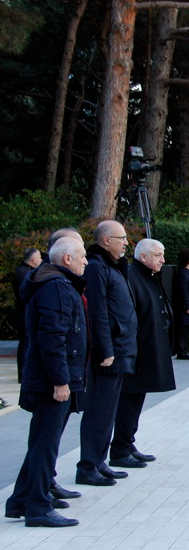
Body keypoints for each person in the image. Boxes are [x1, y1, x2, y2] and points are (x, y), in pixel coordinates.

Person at [5, 237, 87, 527]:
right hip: (50, 381)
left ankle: (20, 500)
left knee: (41, 442)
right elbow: (53, 337)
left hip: (46, 378)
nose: (85, 262)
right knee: (45, 445)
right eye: (82, 257)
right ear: (67, 259)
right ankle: (38, 508)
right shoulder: (56, 286)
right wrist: (61, 381)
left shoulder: (52, 284)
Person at [77, 220, 138, 487]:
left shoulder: (113, 266)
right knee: (99, 410)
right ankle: (88, 465)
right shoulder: (97, 267)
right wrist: (106, 349)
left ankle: (99, 462)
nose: (126, 242)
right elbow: (97, 311)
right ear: (105, 241)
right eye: (121, 237)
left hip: (121, 348)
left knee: (109, 411)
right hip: (110, 353)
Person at [110, 239, 176, 469]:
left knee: (136, 400)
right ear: (143, 256)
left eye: (162, 255)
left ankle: (127, 443)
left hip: (147, 350)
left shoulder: (147, 276)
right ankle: (119, 449)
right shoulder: (131, 276)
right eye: (158, 255)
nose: (162, 259)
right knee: (128, 400)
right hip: (136, 352)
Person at [14, 247, 43, 383]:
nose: (41, 260)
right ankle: (23, 373)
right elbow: (25, 294)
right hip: (24, 314)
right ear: (33, 260)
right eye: (39, 258)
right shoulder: (24, 273)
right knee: (25, 343)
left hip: (24, 313)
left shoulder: (24, 271)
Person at [174, 249, 189, 360]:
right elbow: (183, 291)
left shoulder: (186, 273)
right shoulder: (183, 273)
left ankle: (185, 350)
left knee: (186, 330)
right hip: (185, 309)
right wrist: (187, 306)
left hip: (188, 307)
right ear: (188, 261)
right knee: (183, 331)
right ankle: (181, 352)